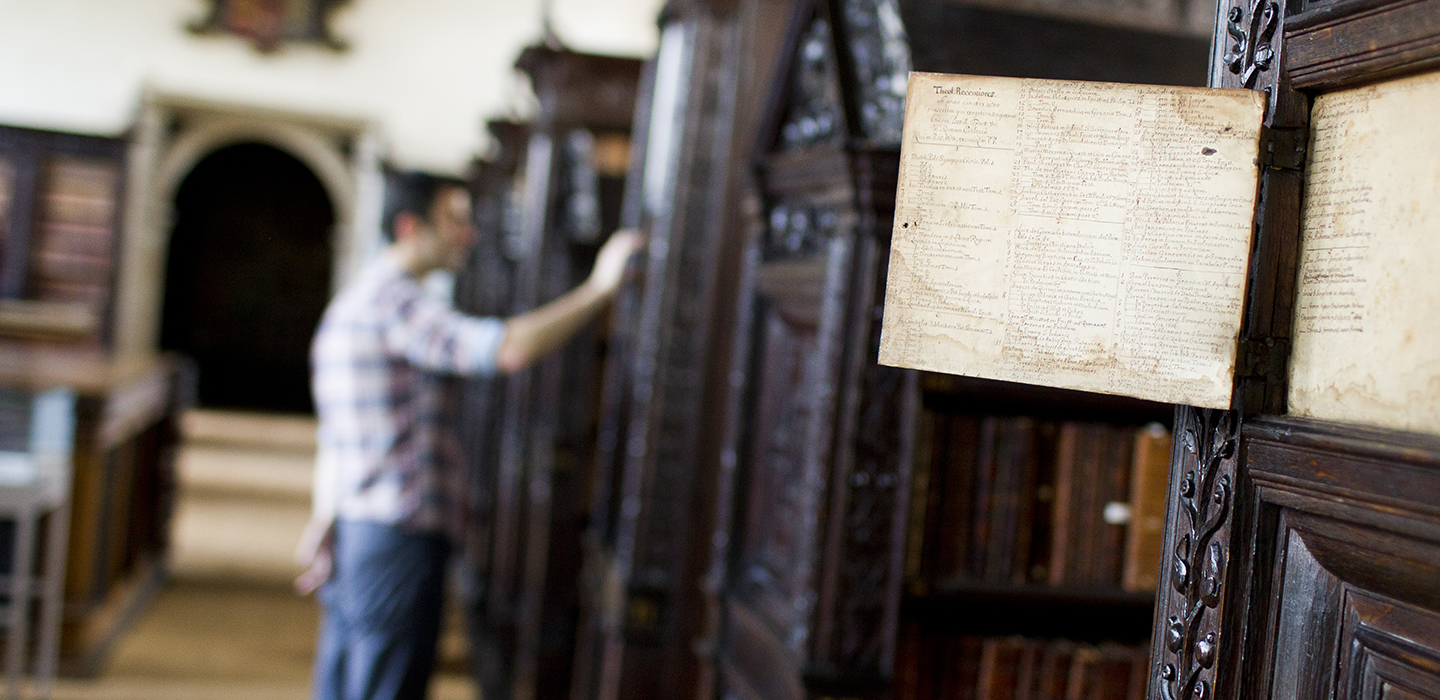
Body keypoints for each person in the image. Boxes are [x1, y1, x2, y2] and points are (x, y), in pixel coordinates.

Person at [295, 171, 642, 700]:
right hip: (396, 533)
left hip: (363, 525)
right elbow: (504, 349)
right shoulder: (395, 302)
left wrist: (328, 516)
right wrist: (599, 289)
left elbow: (334, 435)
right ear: (411, 227)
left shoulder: (356, 300)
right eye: (454, 220)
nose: (469, 235)